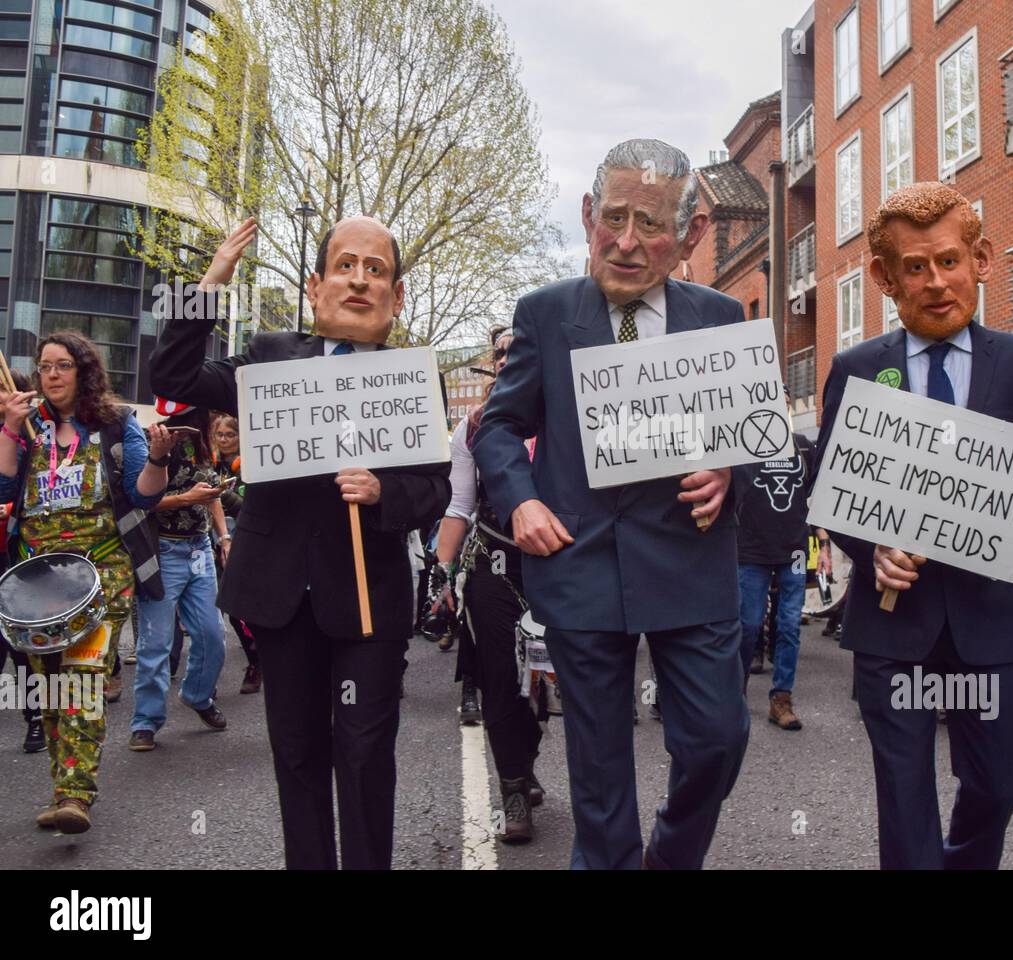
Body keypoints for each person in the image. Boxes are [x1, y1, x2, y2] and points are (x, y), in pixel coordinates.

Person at [812, 183, 1013, 869]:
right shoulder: (857, 370)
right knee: (904, 798)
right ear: (886, 278)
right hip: (893, 626)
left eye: (949, 261)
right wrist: (871, 545)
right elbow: (827, 484)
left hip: (989, 621)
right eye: (916, 267)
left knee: (1000, 779)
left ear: (980, 259)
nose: (937, 282)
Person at [473, 139, 751, 870]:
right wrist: (521, 501)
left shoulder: (723, 318)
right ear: (589, 214)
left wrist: (728, 466)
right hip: (579, 563)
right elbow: (500, 424)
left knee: (719, 740)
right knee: (599, 778)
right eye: (615, 218)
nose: (627, 243)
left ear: (688, 235)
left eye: (651, 224)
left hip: (691, 565)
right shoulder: (543, 314)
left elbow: (755, 436)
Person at [148, 215, 452, 869]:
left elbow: (436, 490)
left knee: (366, 753)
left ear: (397, 296)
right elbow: (172, 381)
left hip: (369, 603)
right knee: (298, 753)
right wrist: (211, 281)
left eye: (376, 269)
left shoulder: (412, 377)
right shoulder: (269, 358)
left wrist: (382, 493)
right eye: (346, 265)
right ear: (316, 287)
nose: (360, 280)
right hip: (281, 596)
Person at [0, 330, 174, 833]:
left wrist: (160, 459)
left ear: (84, 371)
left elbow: (143, 495)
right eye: (44, 366)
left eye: (62, 365)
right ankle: (62, 785)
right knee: (49, 688)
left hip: (101, 570)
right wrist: (10, 428)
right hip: (36, 579)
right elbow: (6, 485)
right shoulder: (28, 425)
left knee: (81, 679)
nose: (51, 375)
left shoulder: (118, 423)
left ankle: (75, 796)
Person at [436, 328, 547, 843]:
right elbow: (460, 505)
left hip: (558, 568)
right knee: (502, 679)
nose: (506, 359)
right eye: (499, 353)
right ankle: (514, 790)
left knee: (542, 683)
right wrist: (442, 568)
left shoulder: (562, 416)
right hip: (495, 565)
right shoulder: (471, 428)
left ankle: (525, 758)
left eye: (515, 351)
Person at [128, 401, 231, 751]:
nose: (218, 418)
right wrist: (188, 496)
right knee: (156, 644)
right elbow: (143, 500)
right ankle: (145, 722)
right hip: (164, 552)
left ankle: (198, 696)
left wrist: (224, 536)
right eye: (214, 412)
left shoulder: (205, 443)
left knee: (213, 634)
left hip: (199, 549)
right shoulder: (154, 441)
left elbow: (212, 494)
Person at [736, 390, 814, 730]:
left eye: (782, 401)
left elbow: (818, 492)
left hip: (794, 550)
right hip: (751, 551)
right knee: (748, 624)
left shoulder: (804, 446)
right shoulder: (742, 447)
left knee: (789, 625)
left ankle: (781, 698)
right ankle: (733, 694)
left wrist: (821, 545)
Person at [0, 370, 47, 754]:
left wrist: (12, 507)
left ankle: (36, 717)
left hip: (14, 550)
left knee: (20, 645)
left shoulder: (36, 435)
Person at [210, 412, 260, 694]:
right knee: (223, 609)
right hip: (215, 543)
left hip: (247, 543)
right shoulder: (211, 464)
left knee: (242, 611)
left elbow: (249, 509)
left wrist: (222, 495)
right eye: (220, 435)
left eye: (230, 435)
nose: (225, 440)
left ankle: (256, 662)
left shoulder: (249, 466)